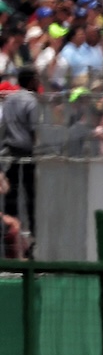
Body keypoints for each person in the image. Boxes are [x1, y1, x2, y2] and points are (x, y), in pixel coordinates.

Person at [0, 68, 36, 257]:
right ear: (31, 82)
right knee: (30, 195)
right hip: (27, 152)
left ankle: (11, 235)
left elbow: (4, 125)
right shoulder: (30, 100)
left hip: (10, 152)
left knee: (11, 196)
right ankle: (30, 233)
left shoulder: (9, 100)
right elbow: (34, 129)